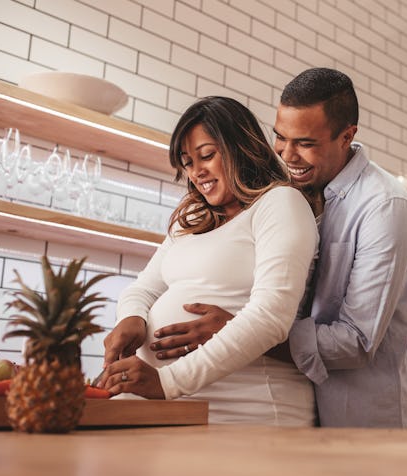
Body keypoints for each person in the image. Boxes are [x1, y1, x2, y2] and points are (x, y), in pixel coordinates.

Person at [149, 68, 407, 428]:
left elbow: (356, 341)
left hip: (357, 416)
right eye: (280, 138)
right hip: (300, 406)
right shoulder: (296, 189)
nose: (287, 155)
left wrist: (237, 331)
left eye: (305, 143)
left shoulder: (384, 207)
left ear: (347, 136)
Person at [98, 96, 319, 426]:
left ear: (241, 147)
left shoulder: (279, 204)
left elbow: (271, 317)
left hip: (244, 411)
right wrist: (132, 318)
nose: (196, 172)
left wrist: (168, 381)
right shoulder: (192, 215)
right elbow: (143, 288)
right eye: (187, 162)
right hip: (166, 409)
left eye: (206, 156)